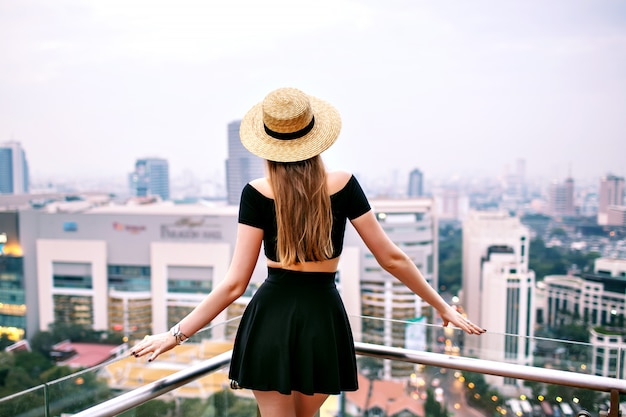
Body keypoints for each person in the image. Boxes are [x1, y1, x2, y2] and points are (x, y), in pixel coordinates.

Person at [130, 87, 486, 417]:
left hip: (270, 321)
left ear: (267, 144)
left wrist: (174, 335)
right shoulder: (344, 184)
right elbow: (391, 257)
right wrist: (441, 306)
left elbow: (234, 285)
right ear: (315, 138)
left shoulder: (256, 193)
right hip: (322, 322)